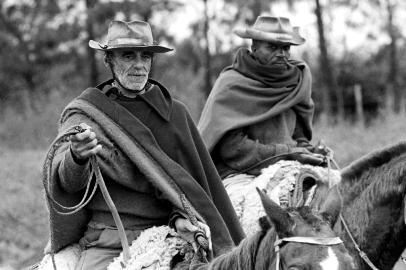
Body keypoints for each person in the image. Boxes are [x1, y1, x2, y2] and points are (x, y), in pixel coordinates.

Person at [44, 20, 244, 270]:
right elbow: (68, 184)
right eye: (128, 56)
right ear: (109, 60)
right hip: (109, 241)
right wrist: (77, 157)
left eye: (146, 56)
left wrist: (179, 217)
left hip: (167, 234)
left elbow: (188, 187)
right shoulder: (86, 114)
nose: (139, 65)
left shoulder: (175, 115)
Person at [198, 16, 326, 181]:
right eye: (272, 47)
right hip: (238, 174)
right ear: (254, 48)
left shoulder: (297, 81)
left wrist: (310, 152)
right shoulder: (232, 84)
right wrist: (287, 154)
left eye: (286, 48)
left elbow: (298, 137)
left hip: (290, 167)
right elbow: (231, 148)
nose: (281, 54)